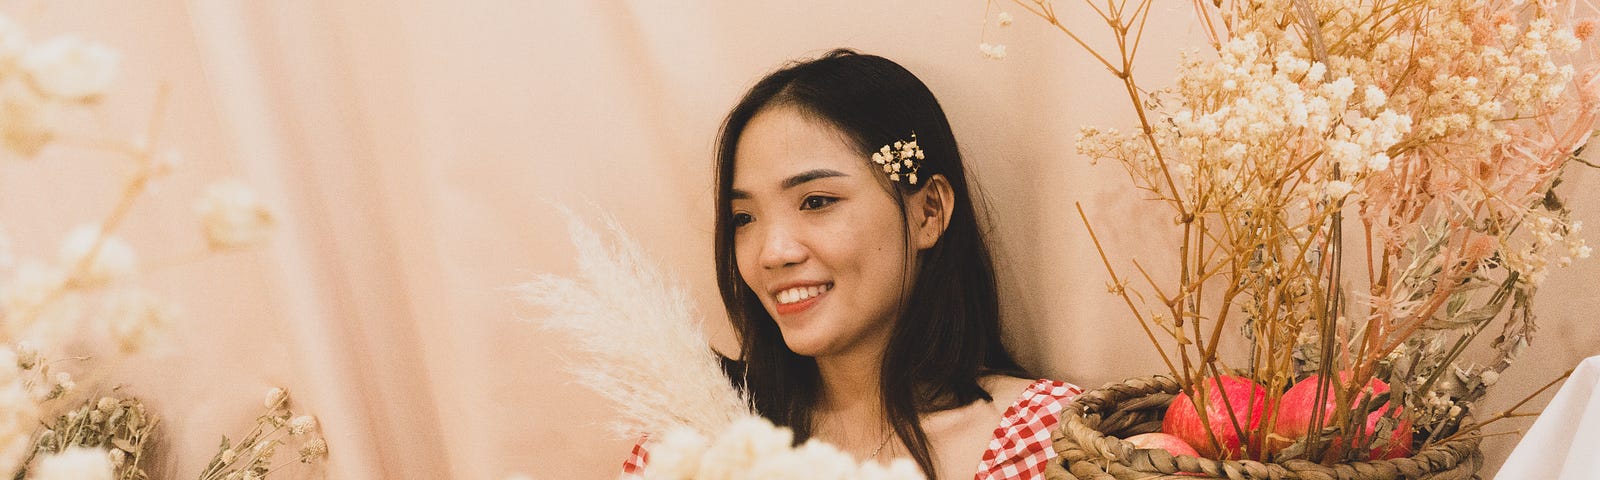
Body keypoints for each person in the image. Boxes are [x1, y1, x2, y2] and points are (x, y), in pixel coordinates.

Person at [623, 49, 1081, 480]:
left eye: (817, 201)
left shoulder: (1049, 441)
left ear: (929, 212)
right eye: (744, 218)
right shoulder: (691, 441)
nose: (773, 252)